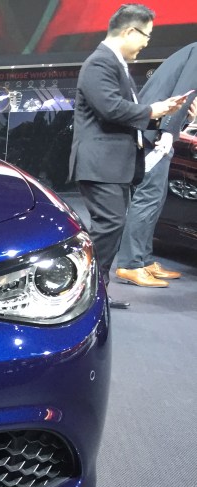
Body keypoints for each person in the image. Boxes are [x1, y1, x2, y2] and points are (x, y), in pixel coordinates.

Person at [69, 4, 190, 309]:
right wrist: (153, 110)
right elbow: (110, 108)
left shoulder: (115, 64)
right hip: (100, 164)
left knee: (111, 226)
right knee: (109, 225)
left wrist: (161, 116)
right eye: (146, 36)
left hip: (113, 165)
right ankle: (82, 291)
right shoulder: (100, 63)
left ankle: (94, 291)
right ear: (129, 31)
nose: (147, 43)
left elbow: (124, 114)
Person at [115, 42, 197, 287]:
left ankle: (144, 260)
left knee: (156, 197)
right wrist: (169, 131)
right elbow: (185, 91)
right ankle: (130, 264)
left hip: (155, 129)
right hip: (155, 132)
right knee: (148, 196)